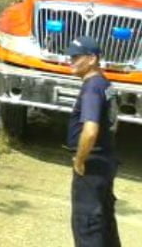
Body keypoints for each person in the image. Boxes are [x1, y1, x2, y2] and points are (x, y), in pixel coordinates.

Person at [67, 35, 121, 247]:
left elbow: (90, 131)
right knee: (105, 222)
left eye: (75, 57)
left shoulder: (91, 88)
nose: (70, 61)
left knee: (88, 225)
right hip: (106, 159)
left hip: (92, 164)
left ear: (92, 59)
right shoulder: (104, 84)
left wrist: (80, 160)